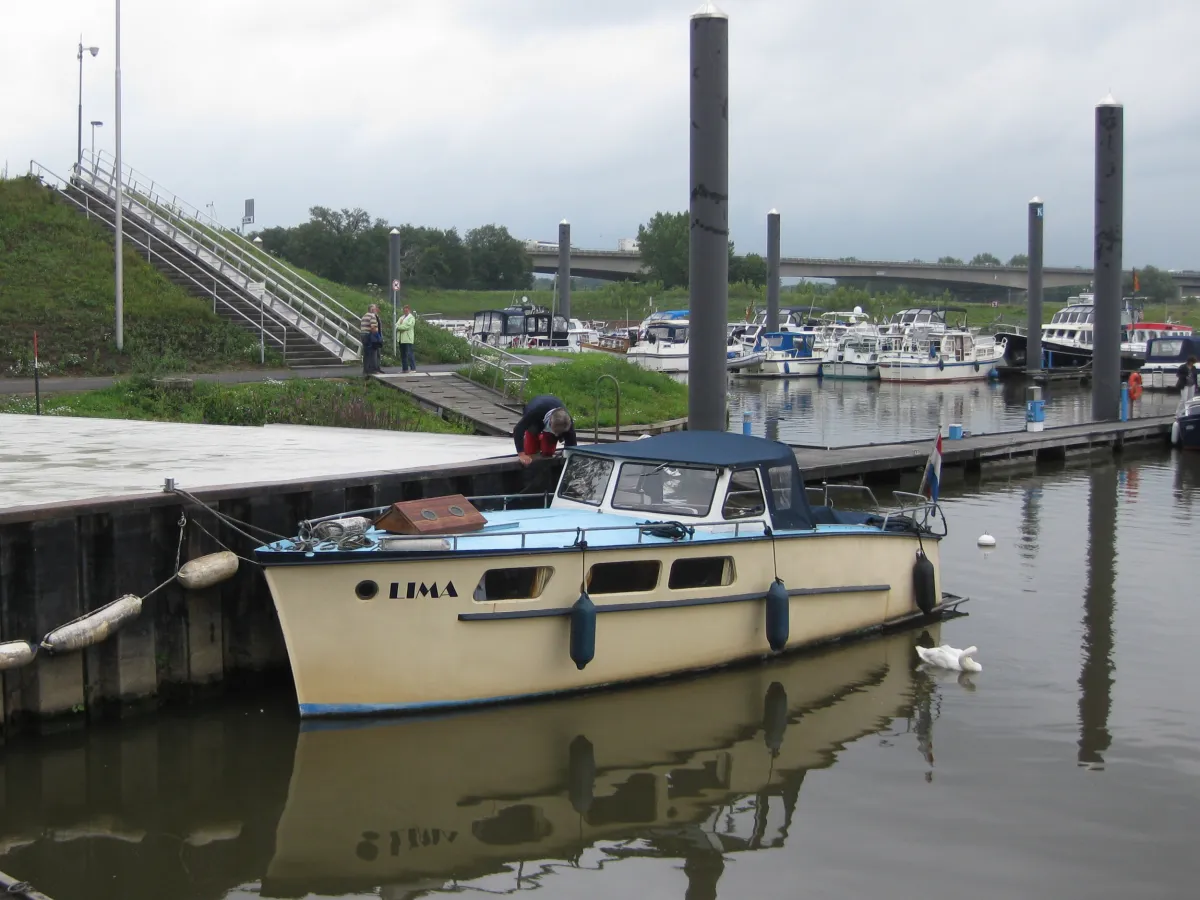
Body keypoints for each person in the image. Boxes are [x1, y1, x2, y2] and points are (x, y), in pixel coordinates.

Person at [514, 394, 577, 465]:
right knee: (530, 451)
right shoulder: (535, 412)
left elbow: (572, 444)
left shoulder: (567, 421)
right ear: (550, 422)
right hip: (535, 421)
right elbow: (518, 429)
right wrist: (521, 454)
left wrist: (568, 456)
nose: (556, 435)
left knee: (548, 453)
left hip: (551, 418)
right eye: (555, 432)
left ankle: (544, 438)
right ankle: (538, 437)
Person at [360, 305, 383, 374]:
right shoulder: (372, 316)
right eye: (375, 308)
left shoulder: (364, 316)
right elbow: (373, 328)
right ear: (372, 309)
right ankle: (373, 369)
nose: (376, 310)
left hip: (363, 335)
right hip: (369, 336)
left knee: (366, 353)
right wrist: (378, 337)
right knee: (373, 352)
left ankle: (366, 370)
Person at [397, 304, 417, 373]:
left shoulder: (411, 318)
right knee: (403, 354)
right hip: (401, 339)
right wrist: (399, 327)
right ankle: (405, 369)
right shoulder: (401, 317)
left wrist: (400, 327)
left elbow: (408, 326)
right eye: (404, 309)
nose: (405, 311)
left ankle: (413, 368)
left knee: (409, 353)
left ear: (409, 310)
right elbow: (396, 324)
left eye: (406, 309)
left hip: (408, 339)